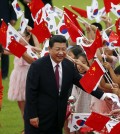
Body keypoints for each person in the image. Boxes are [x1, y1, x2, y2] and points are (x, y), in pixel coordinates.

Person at [24, 35, 114, 134]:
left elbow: (83, 83)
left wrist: (103, 96)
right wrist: (32, 115)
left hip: (58, 117)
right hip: (39, 116)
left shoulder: (68, 65)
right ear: (49, 49)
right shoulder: (37, 66)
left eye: (63, 49)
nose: (61, 53)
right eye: (57, 49)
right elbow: (30, 92)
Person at [0, 0, 17, 79]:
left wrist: (13, 17)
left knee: (4, 48)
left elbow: (12, 4)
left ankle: (4, 74)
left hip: (4, 23)